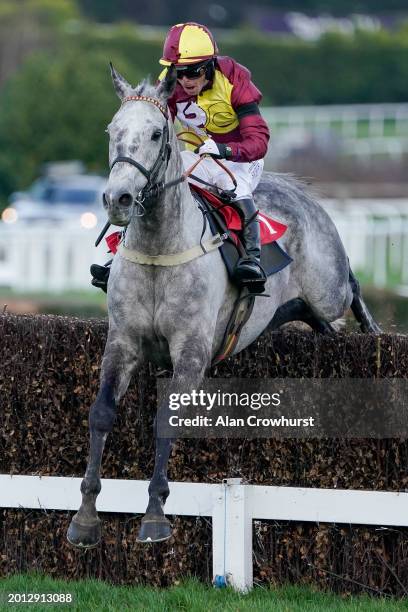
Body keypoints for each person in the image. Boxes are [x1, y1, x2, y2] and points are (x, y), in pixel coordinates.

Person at [91, 22, 270, 291]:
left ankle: (252, 259)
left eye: (193, 72)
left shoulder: (235, 80)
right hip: (198, 156)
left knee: (233, 186)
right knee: (156, 184)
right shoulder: (170, 84)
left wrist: (225, 150)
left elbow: (259, 142)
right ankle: (119, 254)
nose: (185, 81)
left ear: (209, 65)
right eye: (180, 73)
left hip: (241, 159)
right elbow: (157, 125)